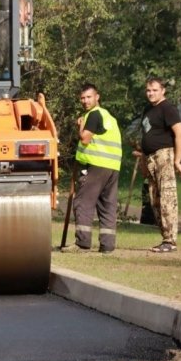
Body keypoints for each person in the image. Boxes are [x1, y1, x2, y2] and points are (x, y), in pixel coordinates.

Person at [66, 83, 122, 253]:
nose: (85, 101)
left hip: (96, 165)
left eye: (89, 97)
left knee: (83, 202)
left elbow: (85, 139)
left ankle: (82, 243)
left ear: (97, 97)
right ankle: (108, 245)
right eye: (82, 98)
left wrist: (81, 125)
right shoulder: (109, 116)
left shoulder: (93, 115)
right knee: (107, 205)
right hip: (112, 166)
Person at [137, 77, 181, 253]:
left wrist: (177, 160)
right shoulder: (148, 109)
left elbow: (180, 134)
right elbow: (145, 136)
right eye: (148, 90)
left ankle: (170, 240)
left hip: (164, 156)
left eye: (154, 90)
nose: (151, 93)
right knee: (155, 199)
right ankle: (165, 238)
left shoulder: (168, 108)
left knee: (167, 198)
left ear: (163, 91)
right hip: (150, 158)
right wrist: (144, 162)